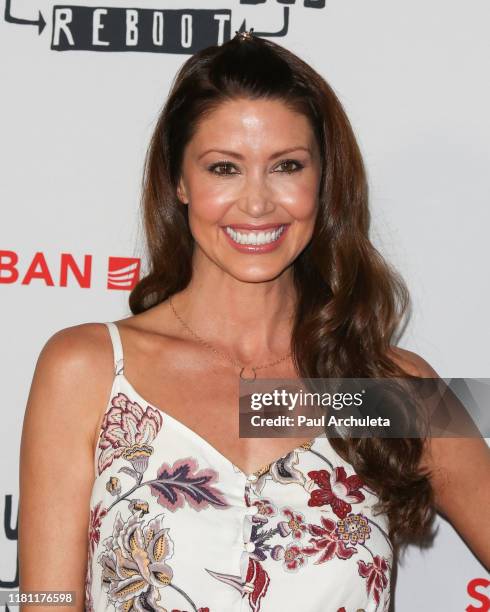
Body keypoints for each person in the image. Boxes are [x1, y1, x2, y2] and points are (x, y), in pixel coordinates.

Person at [18, 29, 489, 612]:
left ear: (324, 180)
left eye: (286, 165)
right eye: (224, 168)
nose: (258, 203)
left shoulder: (388, 388)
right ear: (178, 181)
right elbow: (44, 598)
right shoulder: (87, 369)